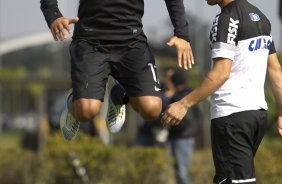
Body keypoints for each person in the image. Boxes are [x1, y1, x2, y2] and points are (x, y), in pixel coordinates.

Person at [161, 0, 282, 183]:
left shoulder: (226, 18)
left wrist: (183, 104)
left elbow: (221, 73)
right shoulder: (261, 18)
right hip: (256, 116)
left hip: (232, 117)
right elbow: (275, 71)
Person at [40, 0, 194, 141]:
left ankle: (118, 95)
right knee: (86, 112)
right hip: (90, 41)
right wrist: (53, 13)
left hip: (132, 42)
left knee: (152, 109)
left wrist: (181, 33)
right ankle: (73, 100)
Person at [167, 69, 203, 184]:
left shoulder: (181, 98)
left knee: (182, 174)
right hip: (182, 137)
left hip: (182, 138)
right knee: (179, 173)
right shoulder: (189, 94)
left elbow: (185, 121)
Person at [135, 67, 175, 147]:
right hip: (147, 129)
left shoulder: (178, 94)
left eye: (171, 77)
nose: (169, 80)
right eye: (167, 77)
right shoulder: (157, 88)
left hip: (165, 132)